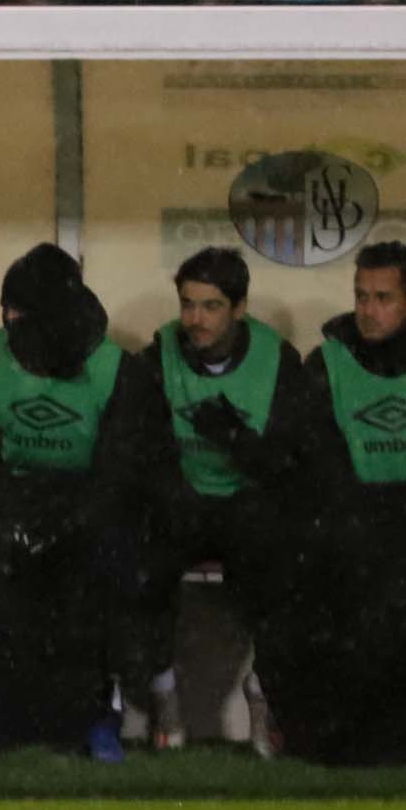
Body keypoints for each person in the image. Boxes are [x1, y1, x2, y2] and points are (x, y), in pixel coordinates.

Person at [262, 240, 406, 764]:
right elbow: (316, 459)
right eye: (361, 296)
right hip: (353, 525)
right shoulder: (327, 363)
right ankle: (341, 740)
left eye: (382, 298)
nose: (367, 310)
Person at [0, 243, 155, 761]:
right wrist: (10, 514)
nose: (9, 320)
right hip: (10, 491)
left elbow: (117, 472)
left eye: (20, 311)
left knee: (99, 562)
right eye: (7, 309)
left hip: (86, 497)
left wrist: (64, 522)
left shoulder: (116, 368)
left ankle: (96, 714)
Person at [125, 246, 310, 754]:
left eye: (210, 307)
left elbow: (290, 463)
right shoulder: (158, 356)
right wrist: (171, 493)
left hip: (248, 501)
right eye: (188, 304)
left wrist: (235, 439)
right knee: (141, 571)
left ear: (239, 308)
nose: (195, 320)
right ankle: (166, 701)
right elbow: (138, 449)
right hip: (181, 499)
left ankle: (262, 696)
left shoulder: (278, 360)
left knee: (284, 570)